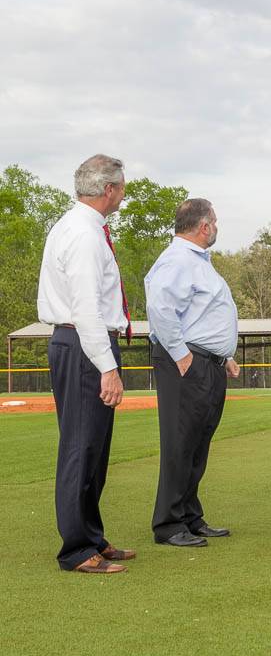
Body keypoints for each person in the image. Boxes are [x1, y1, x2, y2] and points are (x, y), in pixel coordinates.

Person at [37, 154, 135, 573]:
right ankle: (76, 549)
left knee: (93, 446)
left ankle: (92, 537)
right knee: (81, 445)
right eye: (122, 186)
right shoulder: (84, 234)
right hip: (83, 344)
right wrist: (107, 367)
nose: (123, 193)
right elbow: (86, 308)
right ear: (109, 189)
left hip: (81, 343)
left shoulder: (80, 227)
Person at [144, 198, 239, 548]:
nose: (216, 227)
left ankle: (189, 515)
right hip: (185, 363)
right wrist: (182, 355)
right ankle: (168, 524)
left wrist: (224, 355)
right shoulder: (178, 259)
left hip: (207, 363)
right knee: (180, 442)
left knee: (198, 443)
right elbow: (160, 306)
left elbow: (201, 315)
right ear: (203, 226)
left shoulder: (199, 262)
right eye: (214, 221)